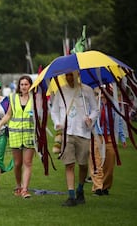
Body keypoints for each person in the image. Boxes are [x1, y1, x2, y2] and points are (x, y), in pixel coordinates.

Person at [51, 71, 98, 206]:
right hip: (67, 133)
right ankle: (71, 196)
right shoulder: (61, 91)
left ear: (77, 75)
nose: (69, 78)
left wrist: (91, 118)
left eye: (71, 75)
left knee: (83, 164)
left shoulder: (87, 90)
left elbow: (95, 109)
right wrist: (57, 122)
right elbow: (54, 110)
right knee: (69, 164)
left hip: (83, 132)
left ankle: (80, 189)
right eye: (67, 75)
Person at [0, 75, 35, 199]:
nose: (24, 87)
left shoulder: (35, 99)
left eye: (26, 84)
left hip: (30, 135)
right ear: (19, 86)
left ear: (30, 85)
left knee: (28, 163)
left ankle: (25, 189)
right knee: (18, 163)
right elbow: (8, 115)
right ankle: (18, 185)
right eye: (22, 84)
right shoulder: (13, 98)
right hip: (15, 135)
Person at [90, 87, 127, 196]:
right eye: (102, 93)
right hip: (97, 136)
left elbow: (118, 122)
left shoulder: (114, 106)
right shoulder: (95, 104)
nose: (104, 95)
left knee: (109, 164)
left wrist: (122, 137)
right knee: (97, 162)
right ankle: (97, 187)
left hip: (110, 137)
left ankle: (105, 186)